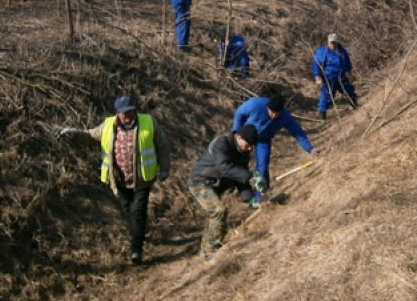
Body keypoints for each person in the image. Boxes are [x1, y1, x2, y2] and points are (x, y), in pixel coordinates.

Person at [56, 96, 170, 265]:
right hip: (119, 180)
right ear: (118, 113)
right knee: (128, 210)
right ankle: (139, 232)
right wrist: (73, 134)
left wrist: (164, 168)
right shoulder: (108, 125)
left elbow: (162, 145)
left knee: (138, 211)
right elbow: (90, 136)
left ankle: (136, 250)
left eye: (132, 111)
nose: (129, 115)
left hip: (143, 178)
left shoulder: (148, 122)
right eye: (125, 113)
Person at [188, 125, 265, 260]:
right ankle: (211, 252)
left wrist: (250, 199)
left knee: (217, 215)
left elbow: (240, 177)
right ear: (238, 137)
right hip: (200, 181)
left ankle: (210, 246)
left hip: (216, 184)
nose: (250, 149)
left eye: (252, 146)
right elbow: (225, 168)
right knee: (218, 210)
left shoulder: (243, 152)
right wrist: (251, 176)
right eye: (248, 145)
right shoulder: (221, 143)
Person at [232, 95, 316, 199]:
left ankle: (261, 197)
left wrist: (310, 148)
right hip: (245, 138)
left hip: (263, 141)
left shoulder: (285, 116)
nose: (274, 115)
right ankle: (236, 190)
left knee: (262, 168)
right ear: (267, 107)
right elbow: (239, 113)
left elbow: (297, 132)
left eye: (277, 113)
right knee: (237, 164)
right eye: (271, 112)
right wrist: (236, 133)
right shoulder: (255, 104)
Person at [311, 33, 358, 120]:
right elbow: (315, 65)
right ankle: (322, 117)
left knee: (349, 90)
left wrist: (350, 73)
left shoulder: (341, 51)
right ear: (328, 42)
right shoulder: (321, 52)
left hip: (341, 77)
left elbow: (347, 62)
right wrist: (317, 77)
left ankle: (355, 106)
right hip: (329, 79)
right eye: (331, 43)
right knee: (325, 97)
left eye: (334, 43)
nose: (333, 45)